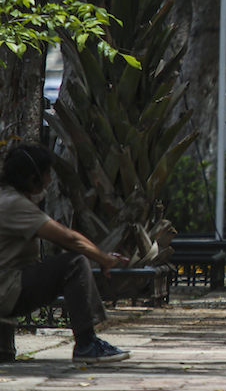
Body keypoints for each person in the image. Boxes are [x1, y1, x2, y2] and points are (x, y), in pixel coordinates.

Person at [0, 143, 131, 364]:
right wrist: (104, 259)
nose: (50, 181)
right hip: (6, 291)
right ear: (32, 179)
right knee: (75, 263)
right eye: (47, 175)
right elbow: (67, 238)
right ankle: (87, 344)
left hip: (6, 287)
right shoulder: (14, 204)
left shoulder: (6, 198)